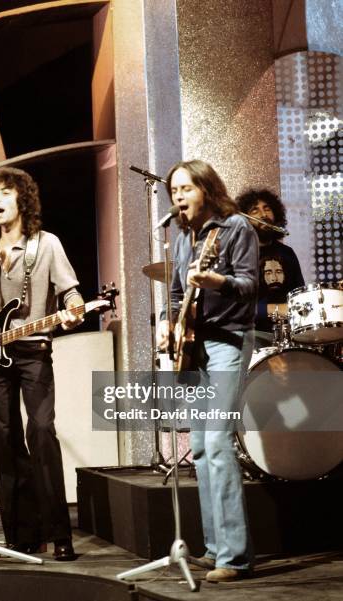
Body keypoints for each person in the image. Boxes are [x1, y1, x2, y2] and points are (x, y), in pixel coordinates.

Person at [0, 167, 83, 561]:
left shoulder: (46, 244)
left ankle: (58, 533)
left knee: (41, 432)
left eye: (5, 192)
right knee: (6, 438)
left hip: (34, 351)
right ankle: (21, 534)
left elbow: (71, 293)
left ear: (22, 200)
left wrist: (76, 309)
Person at [157, 160, 258, 582]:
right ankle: (215, 548)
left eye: (186, 188)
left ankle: (234, 558)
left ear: (206, 188)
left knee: (217, 441)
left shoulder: (236, 228)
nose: (178, 196)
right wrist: (166, 322)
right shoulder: (183, 238)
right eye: (174, 190)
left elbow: (251, 285)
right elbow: (177, 290)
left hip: (228, 340)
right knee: (198, 448)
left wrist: (219, 282)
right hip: (193, 345)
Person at [236, 189, 304, 340]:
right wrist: (273, 309)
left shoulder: (287, 253)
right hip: (251, 335)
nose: (263, 215)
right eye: (255, 210)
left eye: (267, 208)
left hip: (288, 334)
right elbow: (231, 306)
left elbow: (299, 295)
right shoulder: (237, 255)